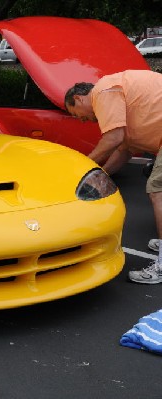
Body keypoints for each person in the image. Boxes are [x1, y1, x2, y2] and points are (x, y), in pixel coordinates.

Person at [64, 69, 162, 284]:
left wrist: (83, 168)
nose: (81, 120)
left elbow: (113, 139)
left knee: (158, 190)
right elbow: (123, 150)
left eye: (75, 113)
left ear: (79, 98)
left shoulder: (103, 90)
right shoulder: (115, 98)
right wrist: (101, 175)